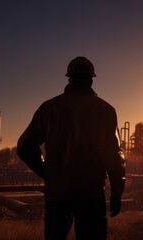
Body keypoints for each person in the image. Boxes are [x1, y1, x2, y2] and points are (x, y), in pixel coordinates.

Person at [17, 56, 126, 240]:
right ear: (91, 79)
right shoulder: (105, 110)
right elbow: (112, 154)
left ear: (69, 78)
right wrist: (117, 190)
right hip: (90, 192)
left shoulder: (49, 108)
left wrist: (46, 171)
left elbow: (24, 147)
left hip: (57, 193)